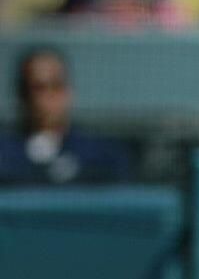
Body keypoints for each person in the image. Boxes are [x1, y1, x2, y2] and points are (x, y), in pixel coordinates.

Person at [0, 47, 134, 184]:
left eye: (56, 86)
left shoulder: (102, 156)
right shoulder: (4, 155)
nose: (48, 97)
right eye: (38, 88)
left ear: (68, 92)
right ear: (21, 95)